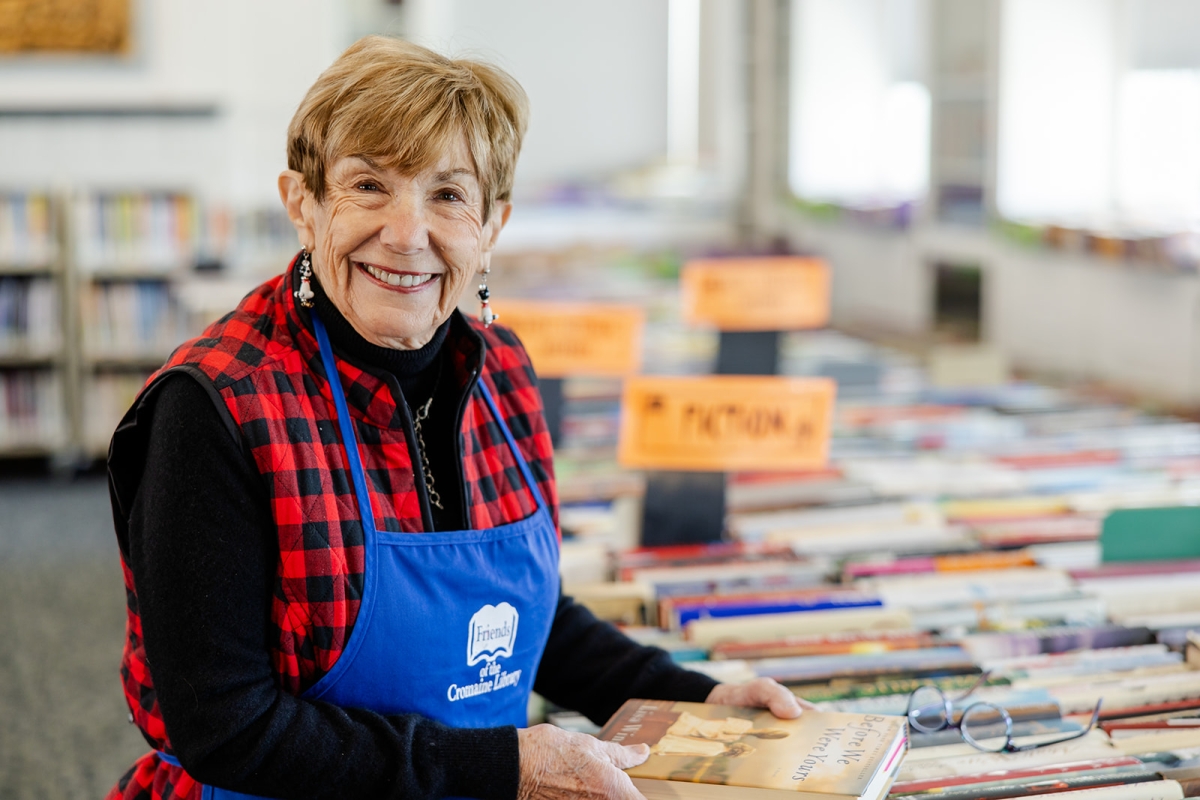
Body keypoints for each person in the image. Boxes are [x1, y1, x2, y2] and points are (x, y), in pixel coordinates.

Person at [105, 36, 808, 800]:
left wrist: (693, 700)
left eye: (447, 195)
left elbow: (524, 620)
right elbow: (229, 728)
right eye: (369, 186)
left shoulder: (501, 367)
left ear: (493, 224)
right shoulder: (215, 408)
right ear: (302, 205)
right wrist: (501, 767)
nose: (407, 234)